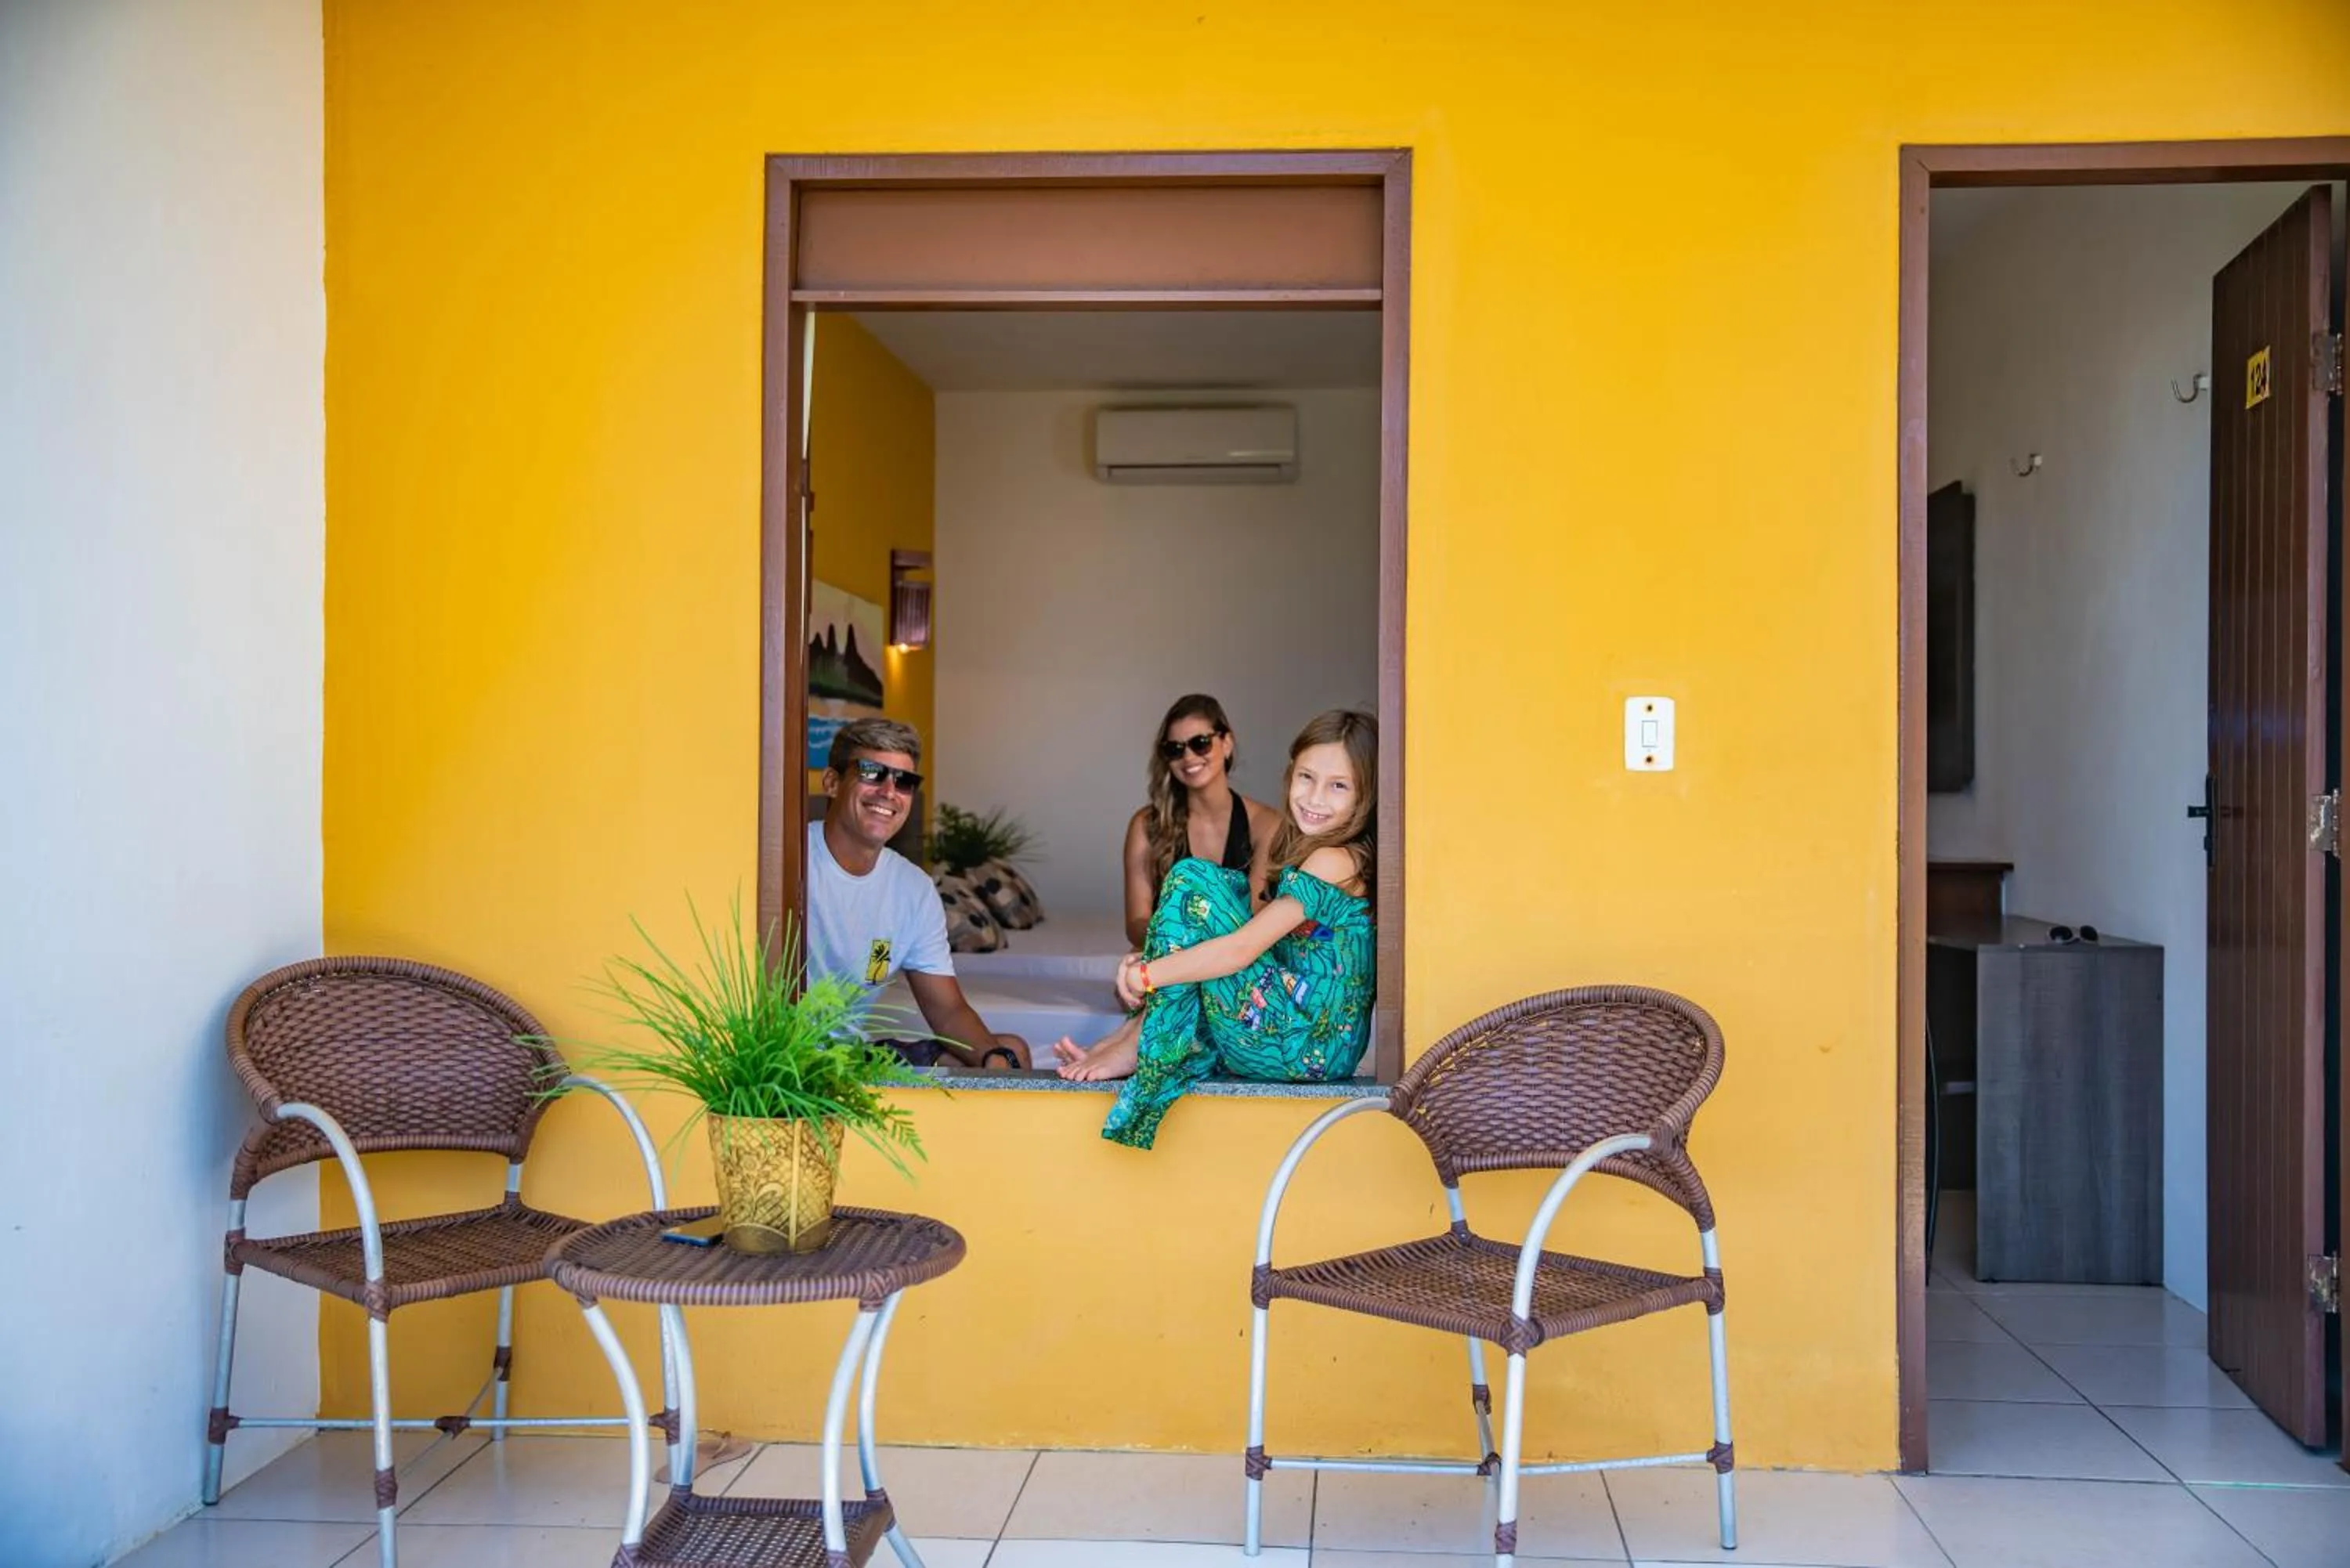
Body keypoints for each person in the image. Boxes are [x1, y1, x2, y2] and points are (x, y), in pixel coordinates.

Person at [1057, 710, 1377, 1148]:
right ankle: (1136, 1036)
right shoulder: (1328, 852)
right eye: (1306, 777)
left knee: (1195, 881)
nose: (1315, 797)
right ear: (1290, 774)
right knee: (1217, 890)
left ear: (1366, 795)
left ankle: (1139, 1040)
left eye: (1338, 785)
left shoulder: (1336, 861)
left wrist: (1147, 975)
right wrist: (1159, 959)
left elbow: (1241, 949)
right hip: (1310, 1040)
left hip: (1303, 1046)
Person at [808, 717, 1030, 1069]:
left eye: (905, 781)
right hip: (783, 1059)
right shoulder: (791, 861)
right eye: (871, 773)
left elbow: (948, 1011)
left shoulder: (913, 889)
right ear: (833, 782)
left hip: (851, 1056)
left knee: (1010, 1051)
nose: (889, 792)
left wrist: (995, 1058)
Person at [1120, 694, 1282, 948]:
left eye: (1201, 743)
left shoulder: (1267, 824)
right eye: (1175, 749)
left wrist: (1194, 947)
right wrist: (1170, 940)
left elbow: (1252, 920)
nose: (1188, 757)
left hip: (1236, 966)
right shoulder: (1144, 826)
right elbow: (1137, 923)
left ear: (1226, 743)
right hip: (1169, 960)